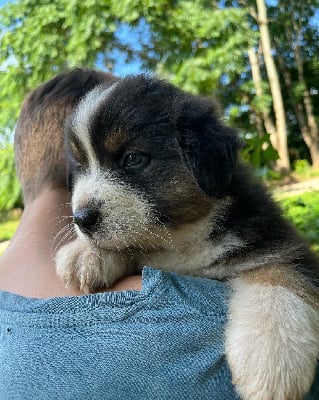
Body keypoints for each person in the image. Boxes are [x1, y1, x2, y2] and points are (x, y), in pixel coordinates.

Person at [0, 69, 317, 400]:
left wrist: (279, 294)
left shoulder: (254, 230)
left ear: (204, 156)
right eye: (81, 167)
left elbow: (292, 264)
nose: (85, 203)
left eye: (132, 159)